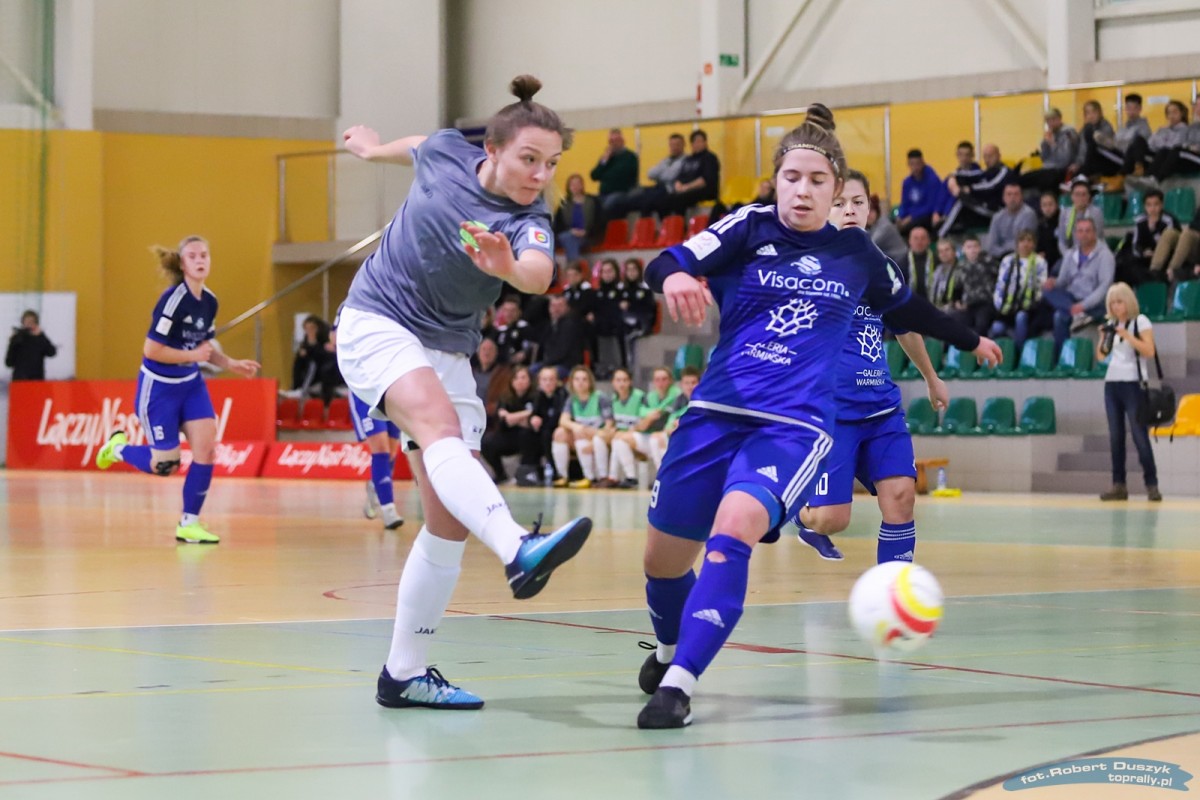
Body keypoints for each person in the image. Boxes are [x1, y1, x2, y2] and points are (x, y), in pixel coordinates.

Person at [634, 105, 1001, 729]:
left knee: (734, 529)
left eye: (817, 181)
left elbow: (911, 310)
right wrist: (673, 280)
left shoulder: (856, 254)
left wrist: (970, 340)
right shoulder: (748, 227)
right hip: (714, 416)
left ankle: (679, 685)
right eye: (792, 178)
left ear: (836, 192)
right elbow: (664, 262)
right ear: (776, 182)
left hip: (793, 426)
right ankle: (669, 648)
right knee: (663, 563)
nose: (802, 190)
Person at [335, 75, 592, 711]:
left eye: (551, 164)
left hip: (447, 351)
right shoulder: (449, 150)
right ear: (493, 150)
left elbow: (538, 273)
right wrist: (371, 150)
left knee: (448, 522)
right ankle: (518, 547)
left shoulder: (528, 219)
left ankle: (404, 673)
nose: (540, 175)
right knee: (439, 428)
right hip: (377, 320)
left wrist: (507, 267)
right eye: (529, 159)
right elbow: (417, 145)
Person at [788, 169, 950, 564]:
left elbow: (905, 327)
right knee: (831, 519)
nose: (849, 210)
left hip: (880, 408)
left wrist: (931, 378)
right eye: (839, 203)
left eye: (857, 203)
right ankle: (796, 511)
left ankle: (893, 590)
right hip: (832, 414)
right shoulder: (806, 267)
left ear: (869, 211)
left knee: (902, 498)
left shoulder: (884, 269)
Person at [94, 236, 261, 544]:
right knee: (165, 465)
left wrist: (230, 363)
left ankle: (189, 523)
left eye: (204, 255)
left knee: (206, 450)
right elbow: (152, 350)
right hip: (159, 388)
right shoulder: (172, 300)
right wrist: (193, 355)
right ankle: (117, 448)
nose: (200, 260)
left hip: (191, 385)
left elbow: (204, 346)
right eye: (193, 256)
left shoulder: (209, 301)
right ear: (183, 264)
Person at [1096, 282, 1161, 502]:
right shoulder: (1112, 324)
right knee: (1116, 436)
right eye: (1112, 303)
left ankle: (1152, 484)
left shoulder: (1140, 322)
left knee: (1139, 435)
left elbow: (1149, 351)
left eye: (1119, 302)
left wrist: (1128, 335)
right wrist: (1102, 337)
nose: (1116, 307)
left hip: (1133, 383)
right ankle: (1118, 484)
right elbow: (1101, 356)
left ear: (1128, 302)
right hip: (1112, 383)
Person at [1037, 217, 1114, 358]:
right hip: (1072, 300)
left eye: (1087, 231)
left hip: (1095, 304)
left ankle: (1076, 314)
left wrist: (1083, 305)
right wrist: (1054, 282)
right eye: (1080, 231)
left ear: (1094, 233)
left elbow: (1104, 288)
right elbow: (1063, 281)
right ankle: (1063, 358)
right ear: (1076, 234)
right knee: (1046, 290)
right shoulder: (1070, 254)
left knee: (1060, 315)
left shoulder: (1105, 255)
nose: (1084, 234)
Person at [550, 365, 614, 488]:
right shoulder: (572, 399)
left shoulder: (600, 397)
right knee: (559, 433)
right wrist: (575, 426)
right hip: (582, 435)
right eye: (577, 379)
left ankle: (596, 477)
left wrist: (590, 434)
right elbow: (563, 420)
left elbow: (609, 425)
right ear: (572, 382)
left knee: (590, 436)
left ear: (590, 382)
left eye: (584, 379)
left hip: (600, 436)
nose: (580, 383)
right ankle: (562, 475)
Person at [481, 366, 542, 486]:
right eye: (516, 378)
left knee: (527, 435)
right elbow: (504, 422)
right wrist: (525, 414)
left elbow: (533, 420)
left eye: (523, 378)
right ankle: (501, 475)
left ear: (530, 380)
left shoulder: (537, 396)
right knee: (486, 442)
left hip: (529, 437)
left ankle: (525, 475)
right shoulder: (505, 397)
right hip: (509, 435)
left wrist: (512, 417)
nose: (520, 381)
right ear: (511, 381)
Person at [989, 230, 1047, 353]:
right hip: (1007, 309)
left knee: (1021, 317)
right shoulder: (1007, 260)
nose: (1025, 244)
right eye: (1022, 240)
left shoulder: (1039, 262)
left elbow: (1041, 288)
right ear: (1017, 244)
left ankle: (1019, 354)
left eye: (1029, 241)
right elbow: (1000, 285)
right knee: (996, 328)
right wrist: (999, 305)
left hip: (1028, 308)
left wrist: (1031, 304)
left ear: (1034, 244)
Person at [645, 129, 721, 219]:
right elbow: (680, 176)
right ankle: (667, 224)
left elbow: (705, 180)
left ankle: (680, 224)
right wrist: (678, 185)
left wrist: (686, 187)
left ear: (705, 142)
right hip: (687, 190)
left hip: (704, 191)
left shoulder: (710, 158)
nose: (697, 144)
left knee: (679, 199)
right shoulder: (689, 159)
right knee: (663, 200)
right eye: (694, 142)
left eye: (700, 141)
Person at [1117, 189, 1179, 286]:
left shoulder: (1169, 220)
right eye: (1149, 205)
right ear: (1144, 206)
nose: (1152, 209)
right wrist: (1143, 252)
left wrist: (1154, 231)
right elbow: (1135, 245)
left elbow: (1171, 244)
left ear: (1162, 205)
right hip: (1146, 258)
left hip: (1165, 260)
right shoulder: (1140, 221)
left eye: (1156, 204)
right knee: (1127, 267)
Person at [1123, 100, 1188, 179]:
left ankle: (1148, 177)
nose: (1171, 116)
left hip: (1167, 157)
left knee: (1163, 151)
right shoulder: (1163, 129)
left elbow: (1173, 147)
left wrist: (1161, 139)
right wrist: (1161, 133)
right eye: (1169, 113)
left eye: (1175, 112)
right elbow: (1150, 143)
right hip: (1156, 154)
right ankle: (1129, 171)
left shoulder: (1184, 129)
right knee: (1138, 141)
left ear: (1182, 113)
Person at [1019, 107, 1079, 193]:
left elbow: (1065, 160)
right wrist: (1045, 144)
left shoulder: (1068, 133)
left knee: (1046, 180)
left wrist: (1053, 144)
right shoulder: (1051, 133)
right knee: (1022, 178)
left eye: (1053, 119)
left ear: (1060, 119)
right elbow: (1044, 159)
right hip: (1048, 168)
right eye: (1048, 121)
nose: (1051, 123)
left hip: (1062, 170)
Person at [606, 367, 647, 488]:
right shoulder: (613, 399)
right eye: (618, 380)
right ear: (613, 383)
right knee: (608, 439)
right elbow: (611, 423)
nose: (622, 384)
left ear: (630, 382)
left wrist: (632, 430)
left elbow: (645, 421)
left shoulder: (640, 397)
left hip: (641, 434)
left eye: (625, 380)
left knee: (618, 440)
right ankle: (610, 477)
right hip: (623, 435)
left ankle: (630, 477)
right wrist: (610, 430)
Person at [950, 236, 998, 335]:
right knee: (954, 320)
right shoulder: (960, 266)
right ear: (963, 249)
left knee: (981, 324)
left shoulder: (989, 263)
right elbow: (957, 287)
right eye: (969, 247)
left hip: (986, 303)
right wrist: (957, 301)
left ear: (980, 248)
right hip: (968, 305)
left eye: (975, 246)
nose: (972, 250)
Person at [530, 365, 569, 482]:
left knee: (546, 435)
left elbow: (557, 417)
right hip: (544, 429)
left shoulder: (562, 394)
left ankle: (556, 472)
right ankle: (533, 471)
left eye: (551, 379)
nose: (548, 383)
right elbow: (534, 413)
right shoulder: (538, 395)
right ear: (539, 381)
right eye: (544, 380)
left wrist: (542, 422)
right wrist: (533, 419)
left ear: (557, 381)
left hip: (557, 429)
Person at [552, 173, 601, 264]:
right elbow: (557, 225)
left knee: (568, 239)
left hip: (588, 236)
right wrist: (571, 231)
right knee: (567, 237)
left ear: (582, 185)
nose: (575, 186)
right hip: (568, 234)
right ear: (568, 187)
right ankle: (575, 265)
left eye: (578, 183)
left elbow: (599, 222)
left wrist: (586, 232)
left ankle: (573, 266)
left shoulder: (592, 201)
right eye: (572, 184)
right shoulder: (564, 204)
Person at [291, 314, 340, 403]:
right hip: (309, 380)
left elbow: (321, 356)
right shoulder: (304, 346)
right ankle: (297, 388)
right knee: (301, 361)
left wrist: (312, 345)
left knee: (313, 363)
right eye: (307, 329)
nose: (309, 332)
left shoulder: (326, 345)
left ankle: (305, 390)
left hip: (323, 380)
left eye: (312, 328)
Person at [590, 128, 639, 215]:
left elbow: (621, 176)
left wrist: (605, 175)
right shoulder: (606, 158)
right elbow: (594, 176)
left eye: (616, 140)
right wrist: (604, 161)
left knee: (607, 205)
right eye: (611, 141)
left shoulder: (630, 157)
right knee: (589, 204)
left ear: (622, 141)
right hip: (603, 194)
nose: (613, 144)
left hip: (622, 193)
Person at [896, 149, 944, 236]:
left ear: (923, 163)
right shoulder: (907, 182)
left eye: (917, 164)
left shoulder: (932, 180)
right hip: (910, 216)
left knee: (913, 224)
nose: (915, 167)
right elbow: (904, 204)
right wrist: (900, 216)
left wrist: (911, 217)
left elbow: (931, 206)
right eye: (912, 164)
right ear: (908, 165)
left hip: (926, 216)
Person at [985, 182, 1038, 260]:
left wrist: (1006, 252)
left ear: (1021, 197)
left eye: (1016, 194)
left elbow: (1025, 244)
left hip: (1023, 258)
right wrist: (1004, 254)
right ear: (1004, 198)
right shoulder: (997, 217)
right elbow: (991, 246)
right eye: (1009, 194)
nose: (1012, 198)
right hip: (1000, 258)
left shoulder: (1029, 215)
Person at [1074, 100, 1122, 179]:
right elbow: (1082, 150)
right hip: (1088, 163)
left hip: (1106, 162)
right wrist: (1077, 163)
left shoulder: (1106, 126)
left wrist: (1094, 134)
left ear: (1100, 113)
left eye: (1094, 112)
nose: (1091, 116)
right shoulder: (1084, 130)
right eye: (1088, 113)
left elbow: (1104, 148)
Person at [1057, 178, 1105, 258]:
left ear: (1089, 196)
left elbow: (1095, 239)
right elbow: (1061, 242)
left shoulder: (1096, 213)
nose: (1080, 198)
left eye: (1084, 194)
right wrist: (1068, 256)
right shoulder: (1064, 213)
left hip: (1094, 253)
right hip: (1071, 255)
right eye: (1077, 194)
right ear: (1072, 196)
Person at [5, 309, 57, 381]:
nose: (29, 324)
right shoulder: (17, 338)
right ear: (23, 322)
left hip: (36, 380)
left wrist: (41, 336)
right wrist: (13, 343)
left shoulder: (40, 338)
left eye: (32, 321)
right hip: (19, 380)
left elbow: (52, 353)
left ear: (36, 323)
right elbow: (9, 363)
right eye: (27, 321)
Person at [865, 195, 908, 265]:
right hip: (890, 259)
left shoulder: (885, 226)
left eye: (872, 211)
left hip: (900, 261)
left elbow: (870, 245)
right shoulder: (870, 226)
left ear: (877, 212)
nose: (869, 215)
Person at [904, 225, 935, 300]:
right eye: (915, 238)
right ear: (909, 241)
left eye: (923, 238)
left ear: (929, 241)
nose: (919, 242)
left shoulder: (937, 260)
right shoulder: (901, 261)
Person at [1036, 191, 1063, 272]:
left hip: (1061, 259)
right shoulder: (1041, 224)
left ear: (1057, 205)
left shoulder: (1063, 221)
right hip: (1045, 261)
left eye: (1050, 204)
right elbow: (1039, 246)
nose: (1047, 208)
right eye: (1044, 205)